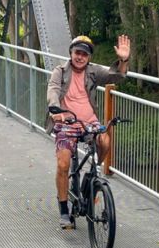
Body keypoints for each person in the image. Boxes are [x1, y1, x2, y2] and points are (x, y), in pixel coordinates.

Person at [46, 34, 131, 228]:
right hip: (67, 123)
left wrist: (123, 59)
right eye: (77, 52)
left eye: (84, 54)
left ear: (89, 57)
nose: (80, 57)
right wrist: (55, 109)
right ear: (71, 53)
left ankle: (94, 171)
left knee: (105, 140)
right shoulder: (60, 71)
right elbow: (53, 90)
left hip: (89, 122)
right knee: (63, 164)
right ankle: (64, 210)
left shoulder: (93, 72)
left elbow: (117, 76)